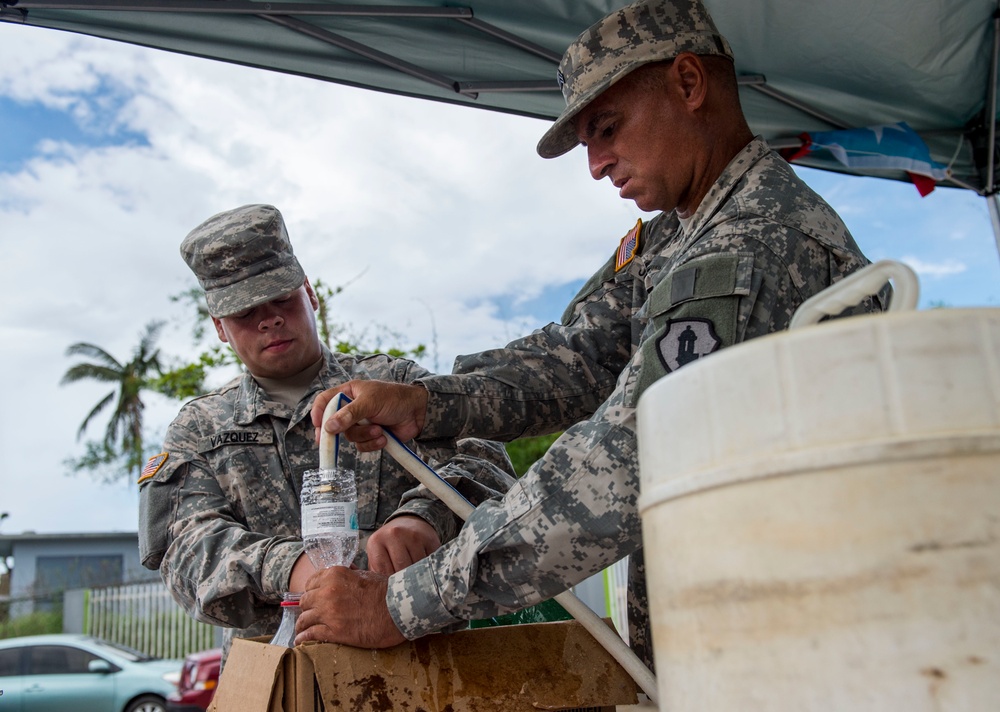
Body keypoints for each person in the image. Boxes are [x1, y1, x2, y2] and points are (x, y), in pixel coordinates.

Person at [296, 0, 885, 673]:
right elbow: (578, 356)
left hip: (795, 660)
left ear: (688, 84)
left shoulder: (758, 244)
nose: (597, 165)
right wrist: (428, 403)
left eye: (607, 130)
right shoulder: (679, 235)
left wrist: (400, 604)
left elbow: (627, 458)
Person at [136, 204, 516, 655]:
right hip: (279, 680)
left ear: (310, 293)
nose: (269, 319)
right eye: (244, 312)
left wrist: (426, 516)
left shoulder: (391, 384)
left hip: (424, 668)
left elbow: (485, 459)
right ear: (219, 327)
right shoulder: (199, 428)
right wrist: (295, 569)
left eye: (282, 298)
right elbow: (184, 553)